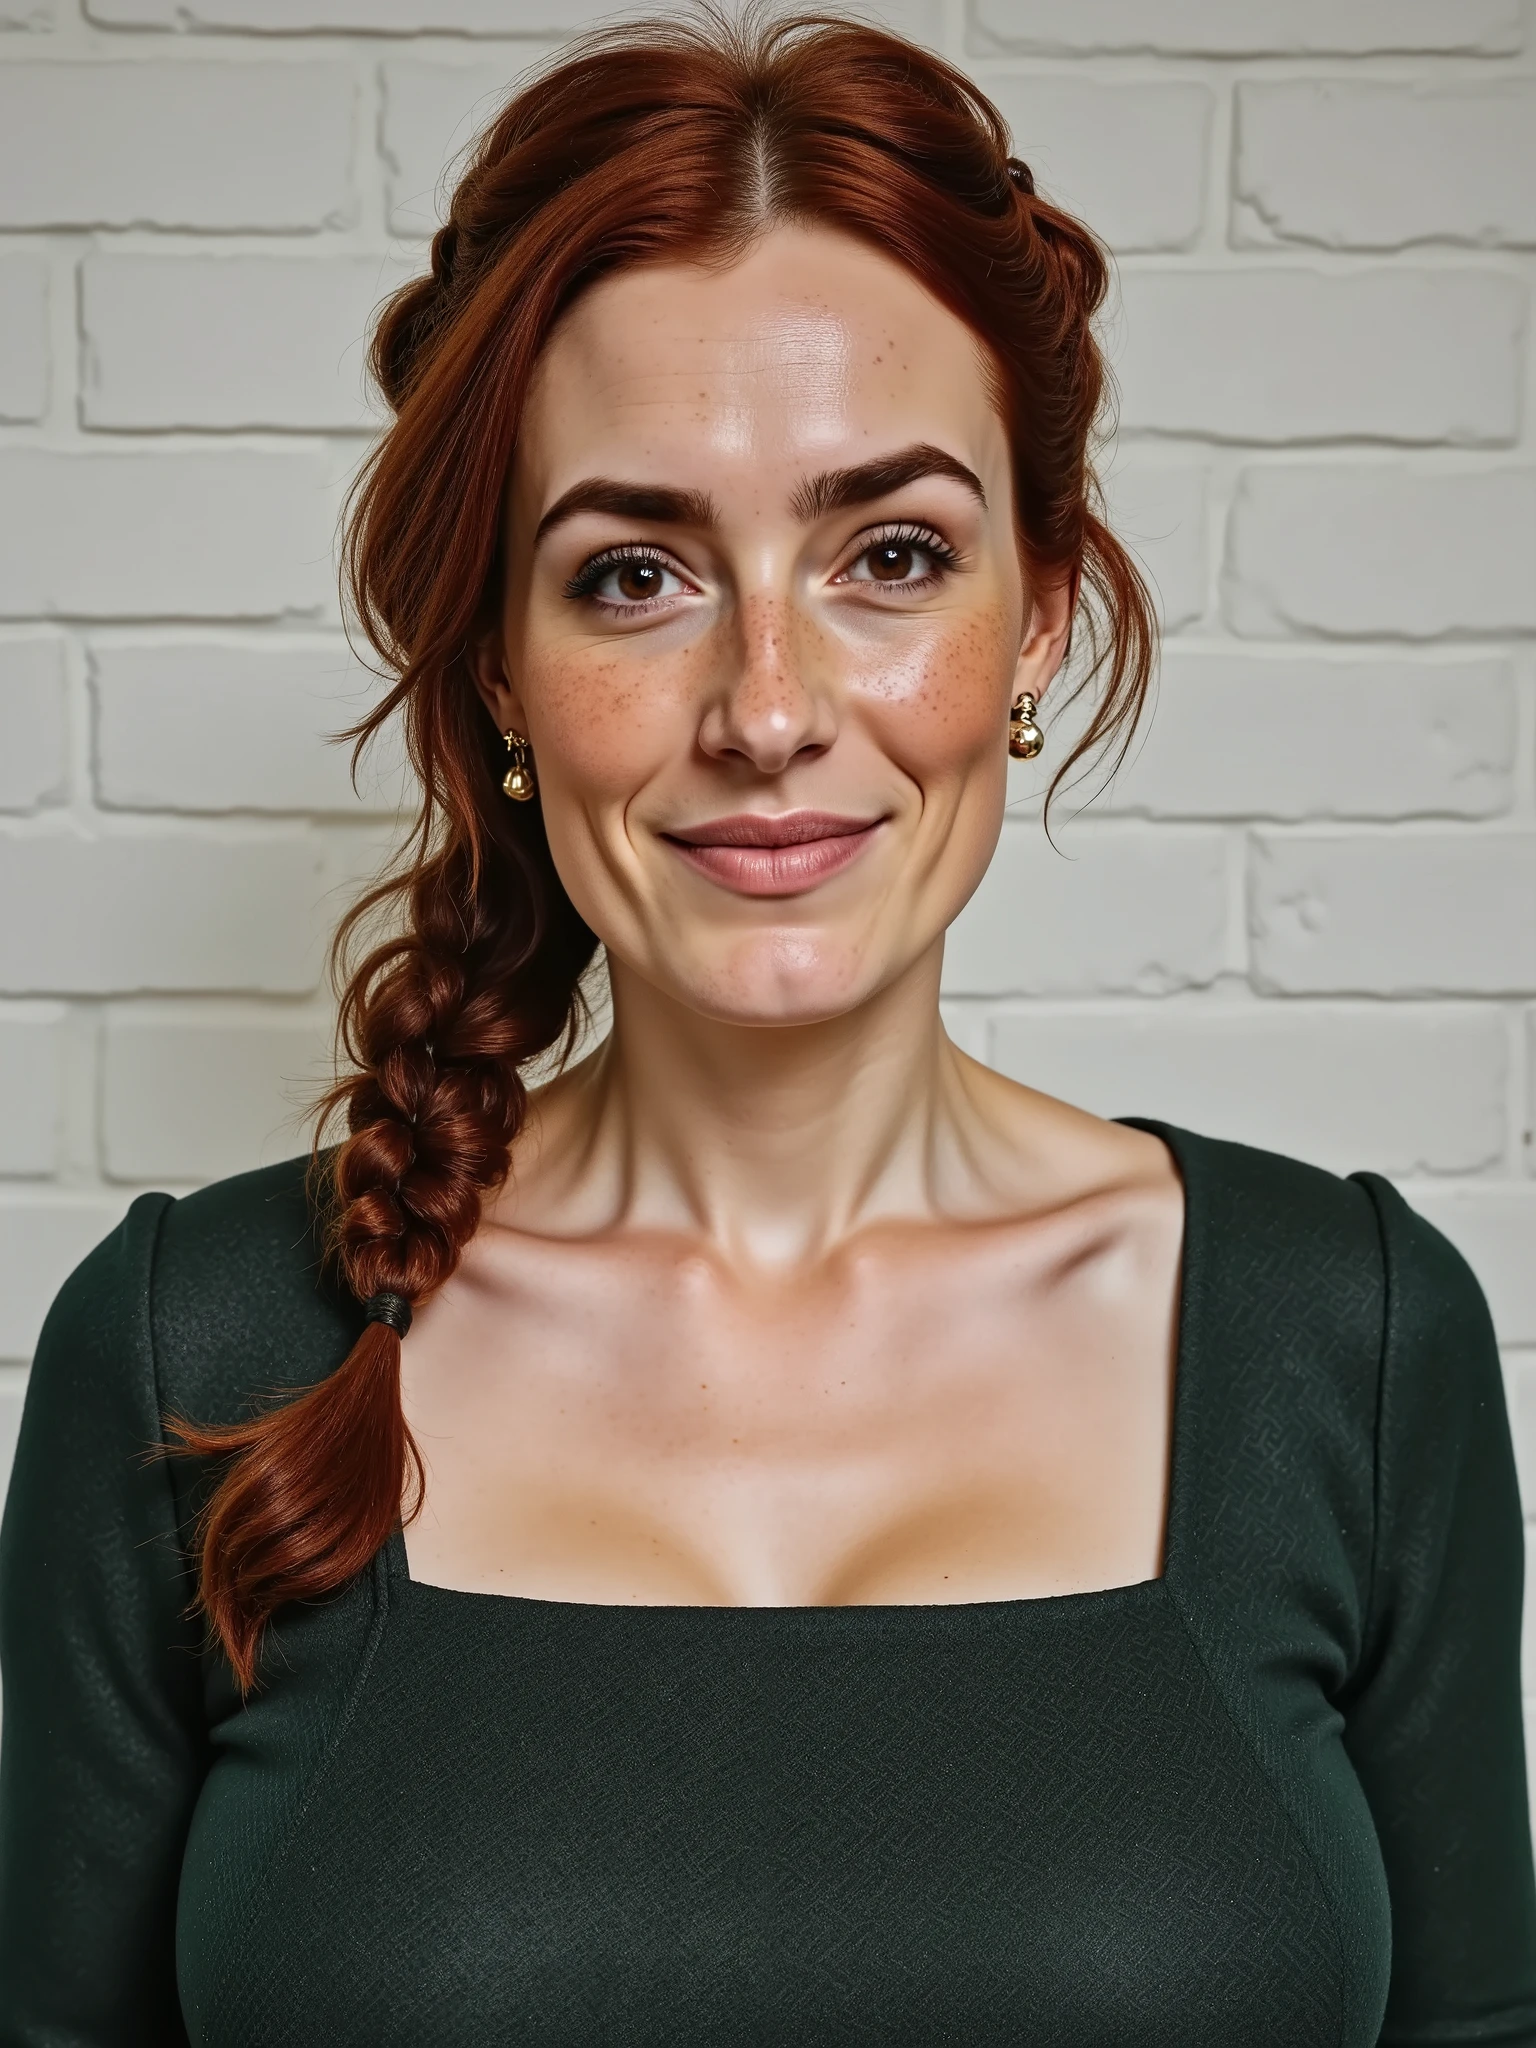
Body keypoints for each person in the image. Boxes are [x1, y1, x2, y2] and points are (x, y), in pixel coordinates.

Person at [1, 12, 1532, 2044]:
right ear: (499, 678)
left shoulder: (1346, 1348)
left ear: (1040, 614)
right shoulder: (195, 1350)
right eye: (633, 573)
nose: (769, 702)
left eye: (890, 554)